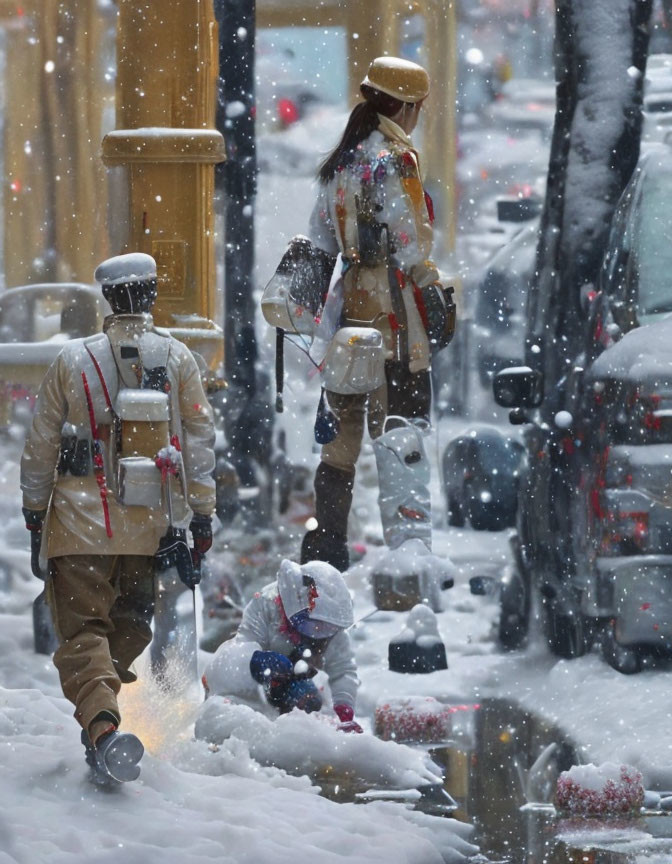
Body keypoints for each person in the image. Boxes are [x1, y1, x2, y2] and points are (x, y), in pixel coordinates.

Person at [20, 253, 216, 784]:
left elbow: (40, 447)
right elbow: (198, 444)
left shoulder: (73, 362)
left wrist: (34, 511)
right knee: (130, 623)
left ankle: (104, 729)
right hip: (148, 525)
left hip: (79, 526)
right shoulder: (179, 359)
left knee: (83, 633)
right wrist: (201, 516)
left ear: (108, 298)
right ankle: (101, 730)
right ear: (152, 295)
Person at [300, 56, 448, 571]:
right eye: (418, 109)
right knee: (399, 429)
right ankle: (407, 552)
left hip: (349, 316)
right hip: (394, 314)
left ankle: (325, 547)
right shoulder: (396, 160)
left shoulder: (340, 164)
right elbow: (410, 244)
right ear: (406, 107)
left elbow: (320, 238)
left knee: (339, 445)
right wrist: (434, 287)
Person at [202, 559, 362, 732]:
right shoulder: (265, 606)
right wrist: (253, 662)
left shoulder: (332, 625)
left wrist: (344, 712)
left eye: (326, 628)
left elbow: (343, 670)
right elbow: (223, 668)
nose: (319, 632)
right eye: (313, 624)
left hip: (301, 696)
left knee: (310, 703)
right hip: (251, 699)